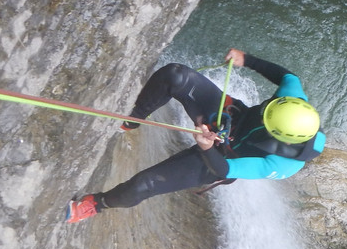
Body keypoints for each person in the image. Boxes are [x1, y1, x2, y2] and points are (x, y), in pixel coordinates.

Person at [66, 48, 325, 223]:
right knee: (175, 74)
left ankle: (97, 204)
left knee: (142, 185)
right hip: (232, 118)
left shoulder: (283, 165)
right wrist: (247, 60)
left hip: (219, 157)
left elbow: (224, 169)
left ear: (283, 137)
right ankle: (133, 120)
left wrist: (205, 147)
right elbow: (288, 76)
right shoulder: (292, 103)